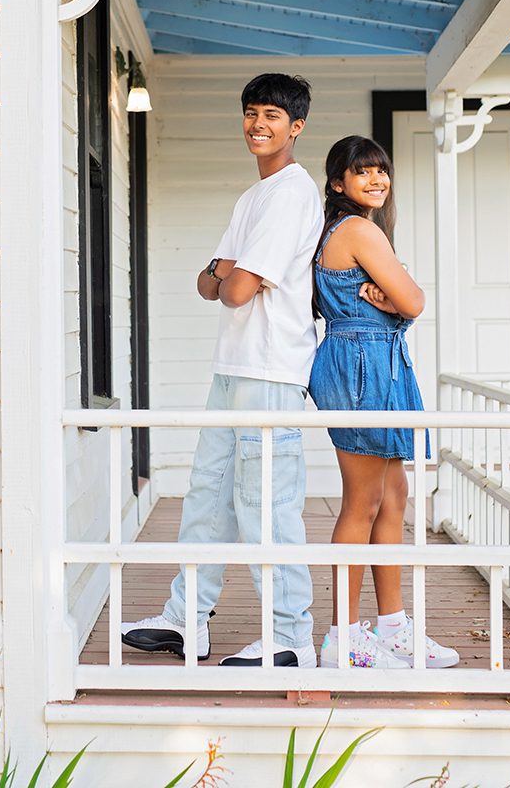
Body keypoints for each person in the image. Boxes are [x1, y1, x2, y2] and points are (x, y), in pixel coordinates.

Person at [121, 74, 323, 667]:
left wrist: (225, 274)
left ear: (297, 126)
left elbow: (230, 289)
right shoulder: (253, 197)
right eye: (252, 112)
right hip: (233, 366)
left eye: (273, 115)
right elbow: (209, 282)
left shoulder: (291, 194)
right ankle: (187, 620)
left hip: (271, 370)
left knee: (267, 505)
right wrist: (225, 274)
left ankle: (290, 639)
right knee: (208, 498)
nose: (258, 124)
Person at [309, 135, 459, 670]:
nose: (376, 179)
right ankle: (343, 638)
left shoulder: (351, 229)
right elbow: (413, 299)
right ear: (338, 183)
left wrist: (395, 306)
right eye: (362, 171)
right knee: (363, 500)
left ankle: (393, 628)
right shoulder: (356, 229)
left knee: (394, 494)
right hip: (361, 366)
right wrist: (398, 305)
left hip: (372, 360)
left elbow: (402, 303)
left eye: (381, 170)